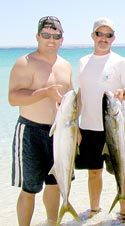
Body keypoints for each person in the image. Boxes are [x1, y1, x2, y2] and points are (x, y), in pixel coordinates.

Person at [8, 16, 73, 226]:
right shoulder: (24, 63)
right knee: (29, 188)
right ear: (38, 37)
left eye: (56, 36)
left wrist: (76, 128)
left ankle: (52, 222)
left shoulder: (65, 66)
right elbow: (13, 98)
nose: (51, 40)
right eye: (46, 35)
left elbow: (71, 100)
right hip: (31, 131)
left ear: (62, 39)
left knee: (55, 184)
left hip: (61, 132)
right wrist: (44, 93)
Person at [74, 17, 125, 221]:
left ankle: (124, 211)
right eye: (99, 34)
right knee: (93, 172)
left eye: (108, 35)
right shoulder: (83, 61)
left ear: (113, 38)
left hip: (115, 127)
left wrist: (123, 93)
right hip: (88, 128)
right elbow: (80, 95)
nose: (103, 38)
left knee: (122, 170)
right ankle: (94, 210)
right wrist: (75, 125)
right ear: (93, 36)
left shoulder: (121, 62)